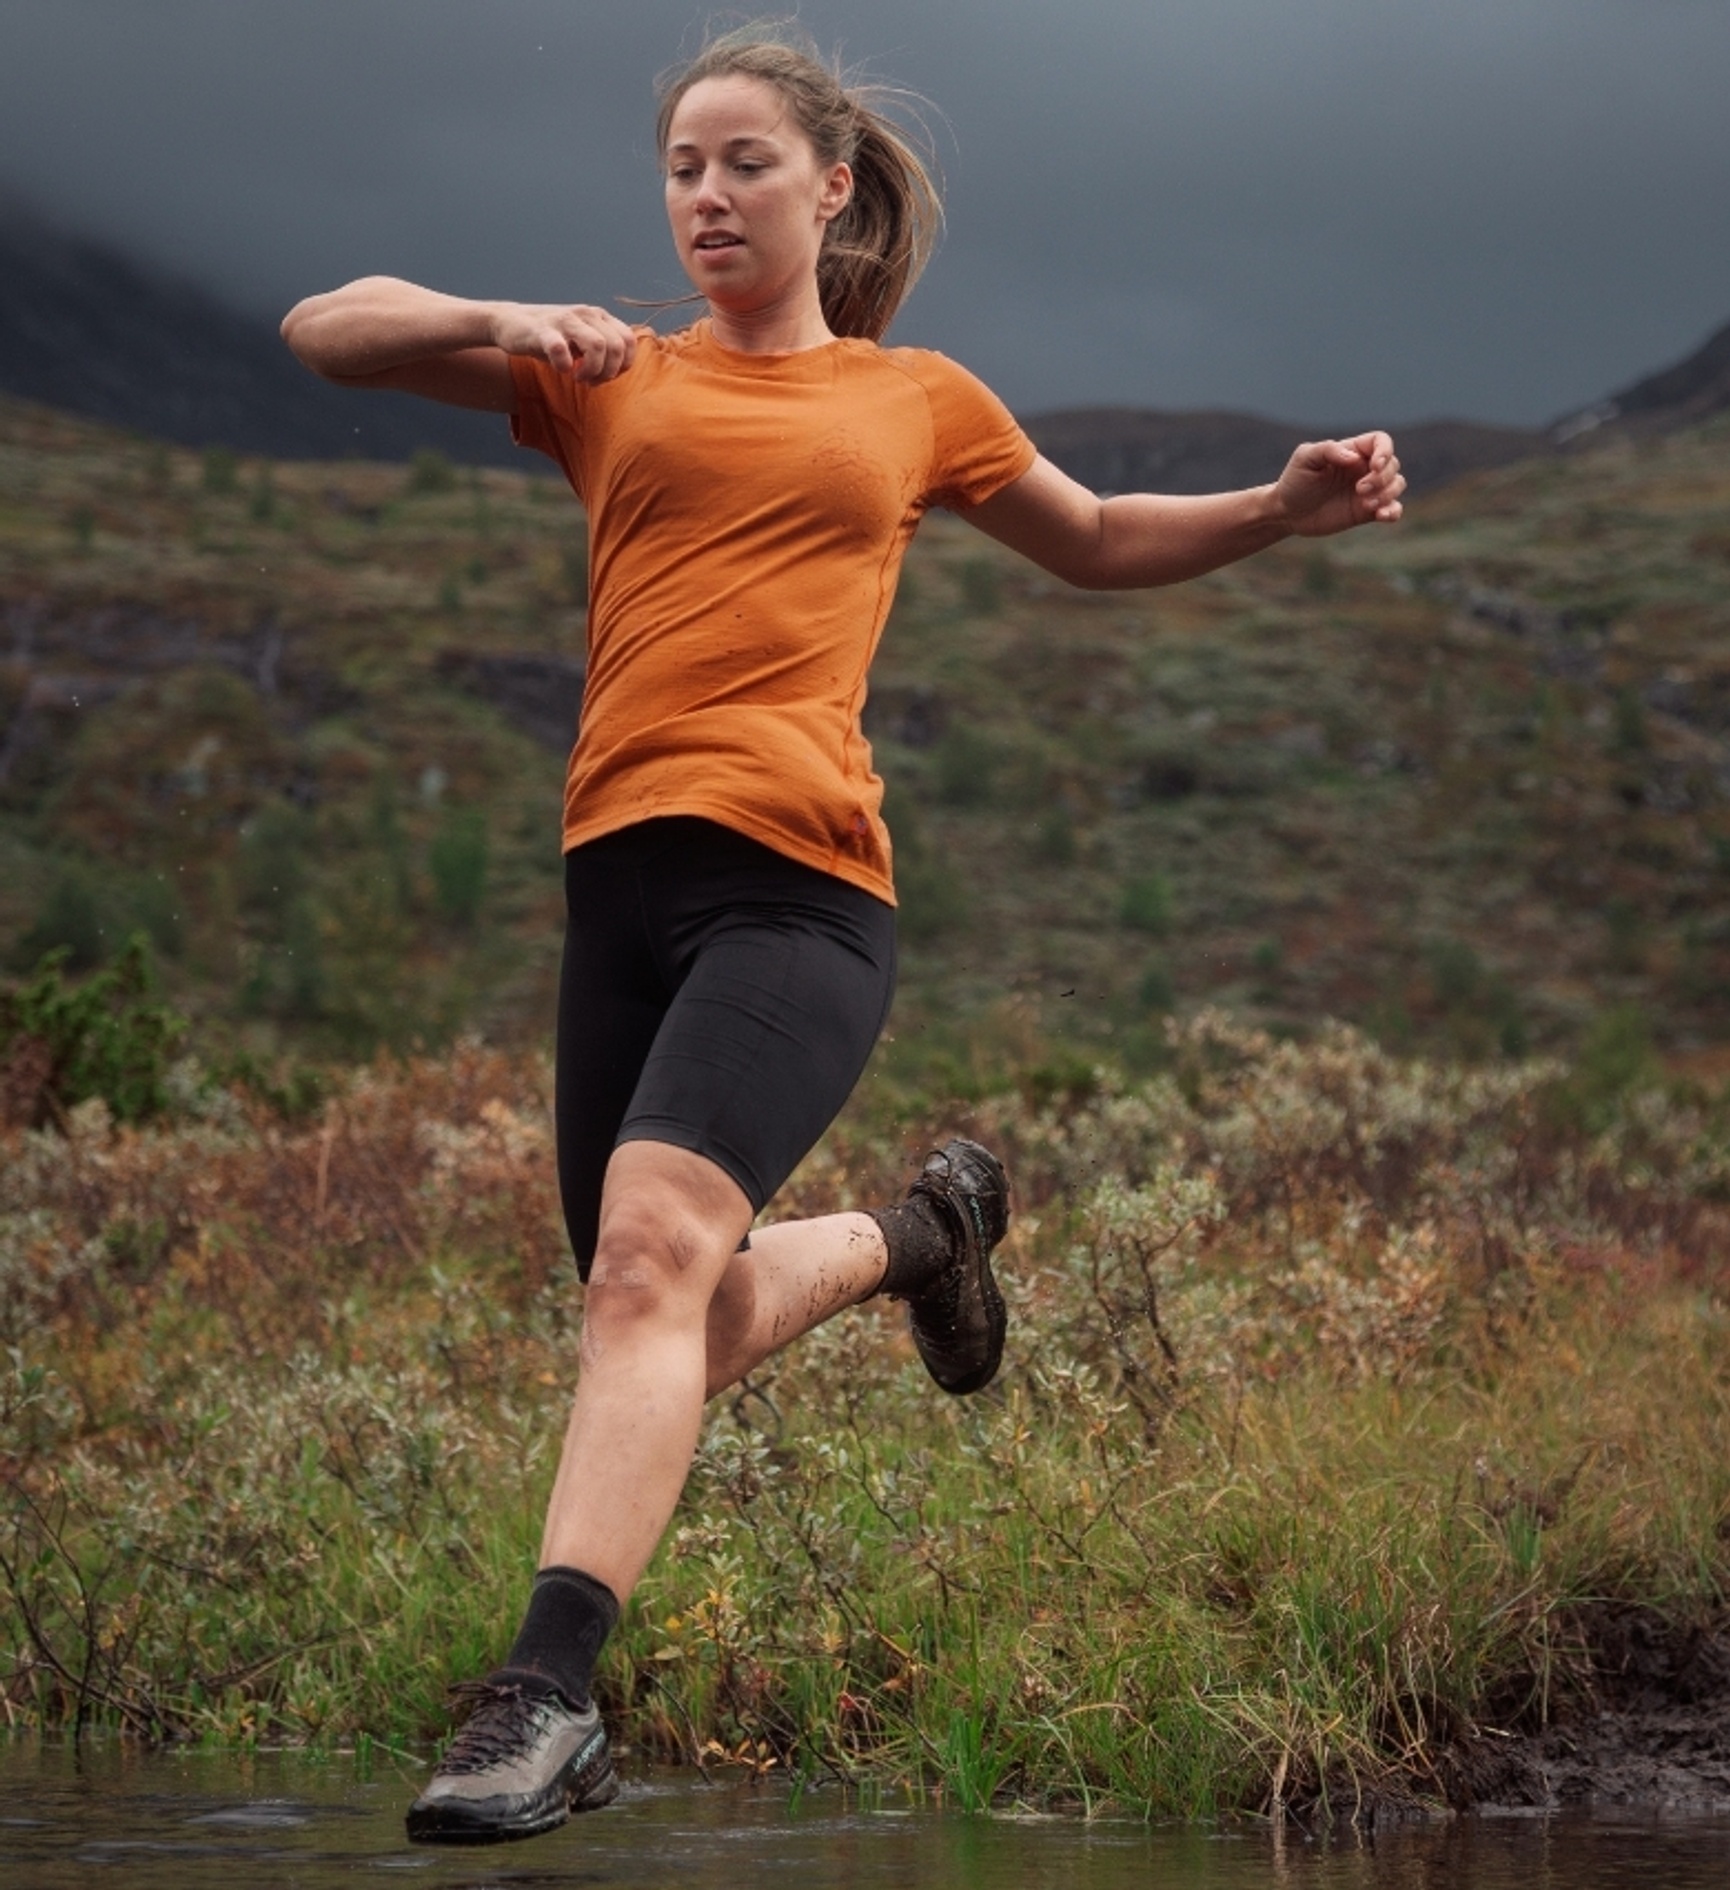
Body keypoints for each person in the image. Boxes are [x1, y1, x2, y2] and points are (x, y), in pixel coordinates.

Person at [281, 22, 1404, 1848]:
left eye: (741, 164)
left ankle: (543, 1697)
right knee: (661, 1315)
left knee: (645, 1267)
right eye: (680, 169)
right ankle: (925, 1234)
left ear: (833, 185)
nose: (705, 197)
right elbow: (323, 329)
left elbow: (1101, 533)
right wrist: (506, 316)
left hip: (800, 886)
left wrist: (1276, 510)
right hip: (616, 889)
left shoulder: (914, 399)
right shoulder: (609, 372)